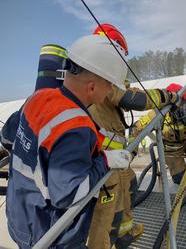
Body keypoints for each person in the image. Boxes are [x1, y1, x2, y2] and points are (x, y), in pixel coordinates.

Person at [5, 35, 132, 248]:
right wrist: (104, 161)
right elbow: (69, 195)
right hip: (49, 233)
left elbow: (7, 137)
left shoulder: (38, 97)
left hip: (21, 217)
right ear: (92, 87)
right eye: (109, 84)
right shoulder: (76, 126)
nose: (111, 90)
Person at [87, 25, 178, 249]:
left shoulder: (104, 73)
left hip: (117, 155)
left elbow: (128, 92)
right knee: (106, 214)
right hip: (104, 157)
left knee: (129, 185)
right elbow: (131, 99)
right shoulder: (99, 73)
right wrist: (167, 96)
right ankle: (105, 243)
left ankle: (124, 235)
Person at [132, 83, 186, 191]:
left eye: (185, 105)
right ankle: (183, 178)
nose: (183, 109)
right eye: (180, 106)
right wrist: (131, 152)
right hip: (170, 151)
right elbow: (136, 128)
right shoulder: (158, 113)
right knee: (180, 180)